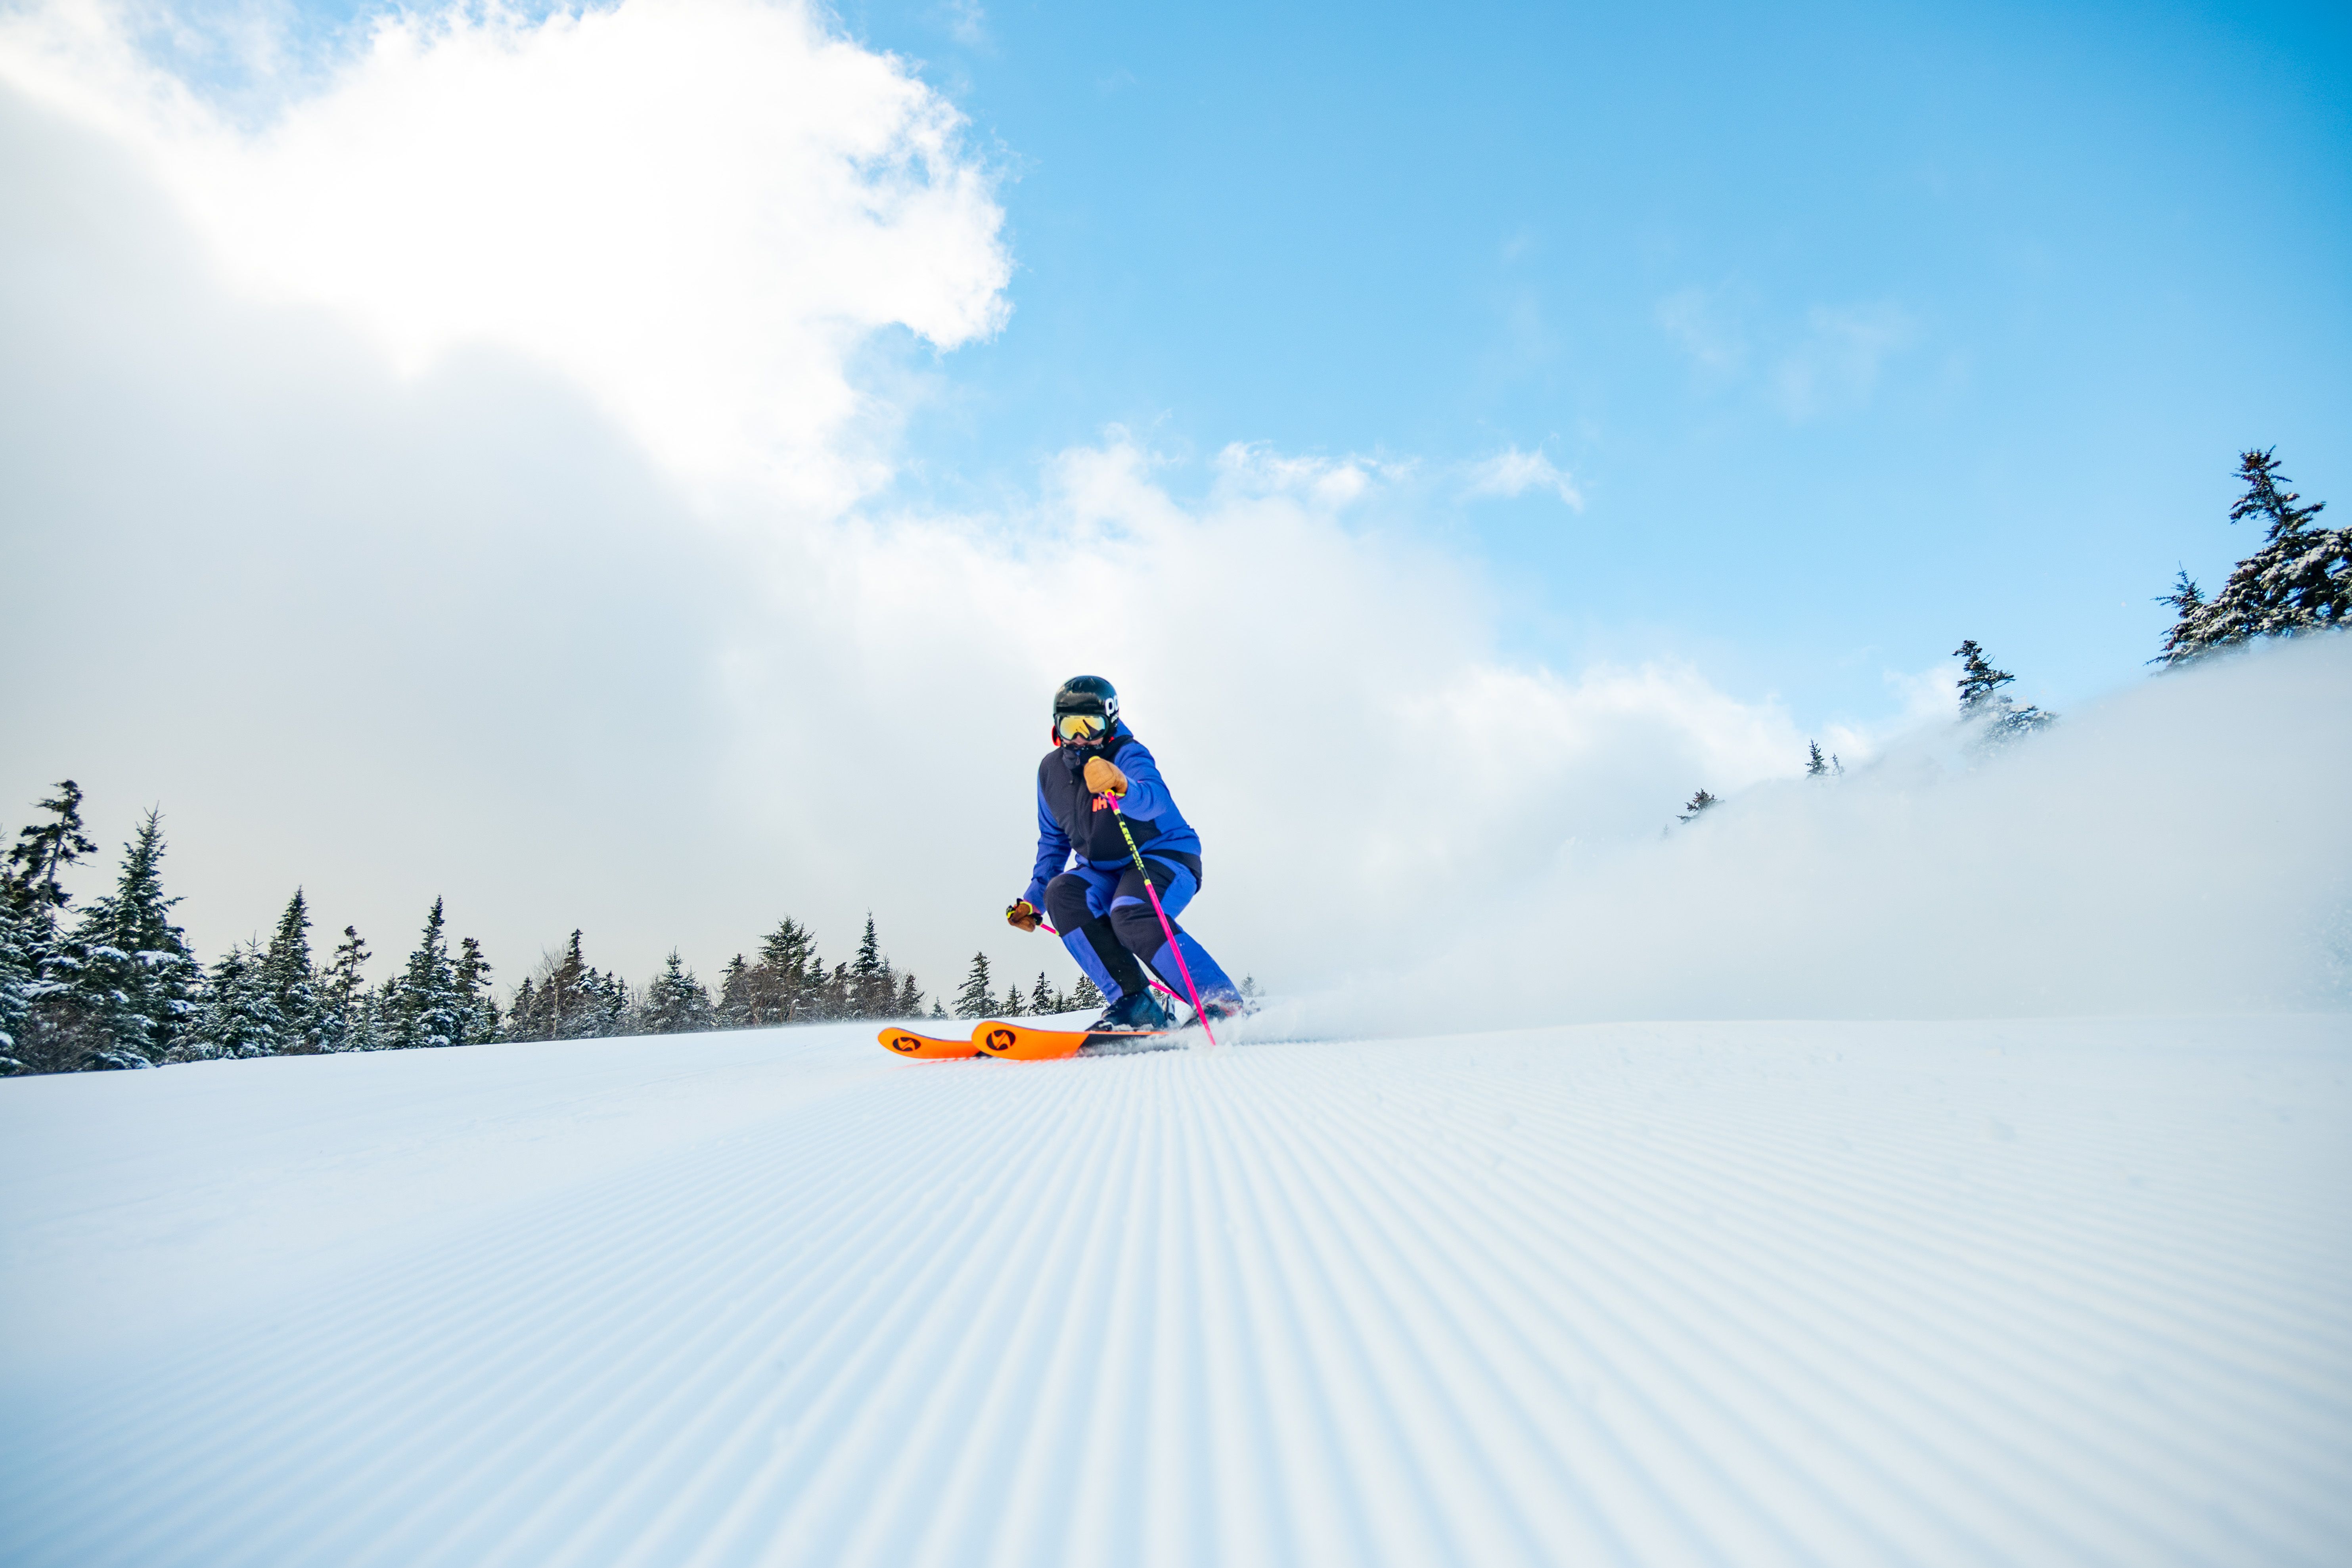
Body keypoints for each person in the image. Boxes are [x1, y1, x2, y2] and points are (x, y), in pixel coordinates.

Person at [1006, 676, 1245, 1030]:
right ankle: (1135, 1002)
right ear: (1056, 728)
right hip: (1104, 871)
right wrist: (1033, 901)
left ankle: (1220, 1002)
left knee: (1130, 911)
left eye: (1092, 726)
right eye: (1071, 727)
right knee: (1063, 894)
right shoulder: (1050, 773)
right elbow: (1053, 843)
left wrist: (1122, 784)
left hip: (1164, 857)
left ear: (1111, 723)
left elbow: (1155, 799)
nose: (1081, 738)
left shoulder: (1127, 754)